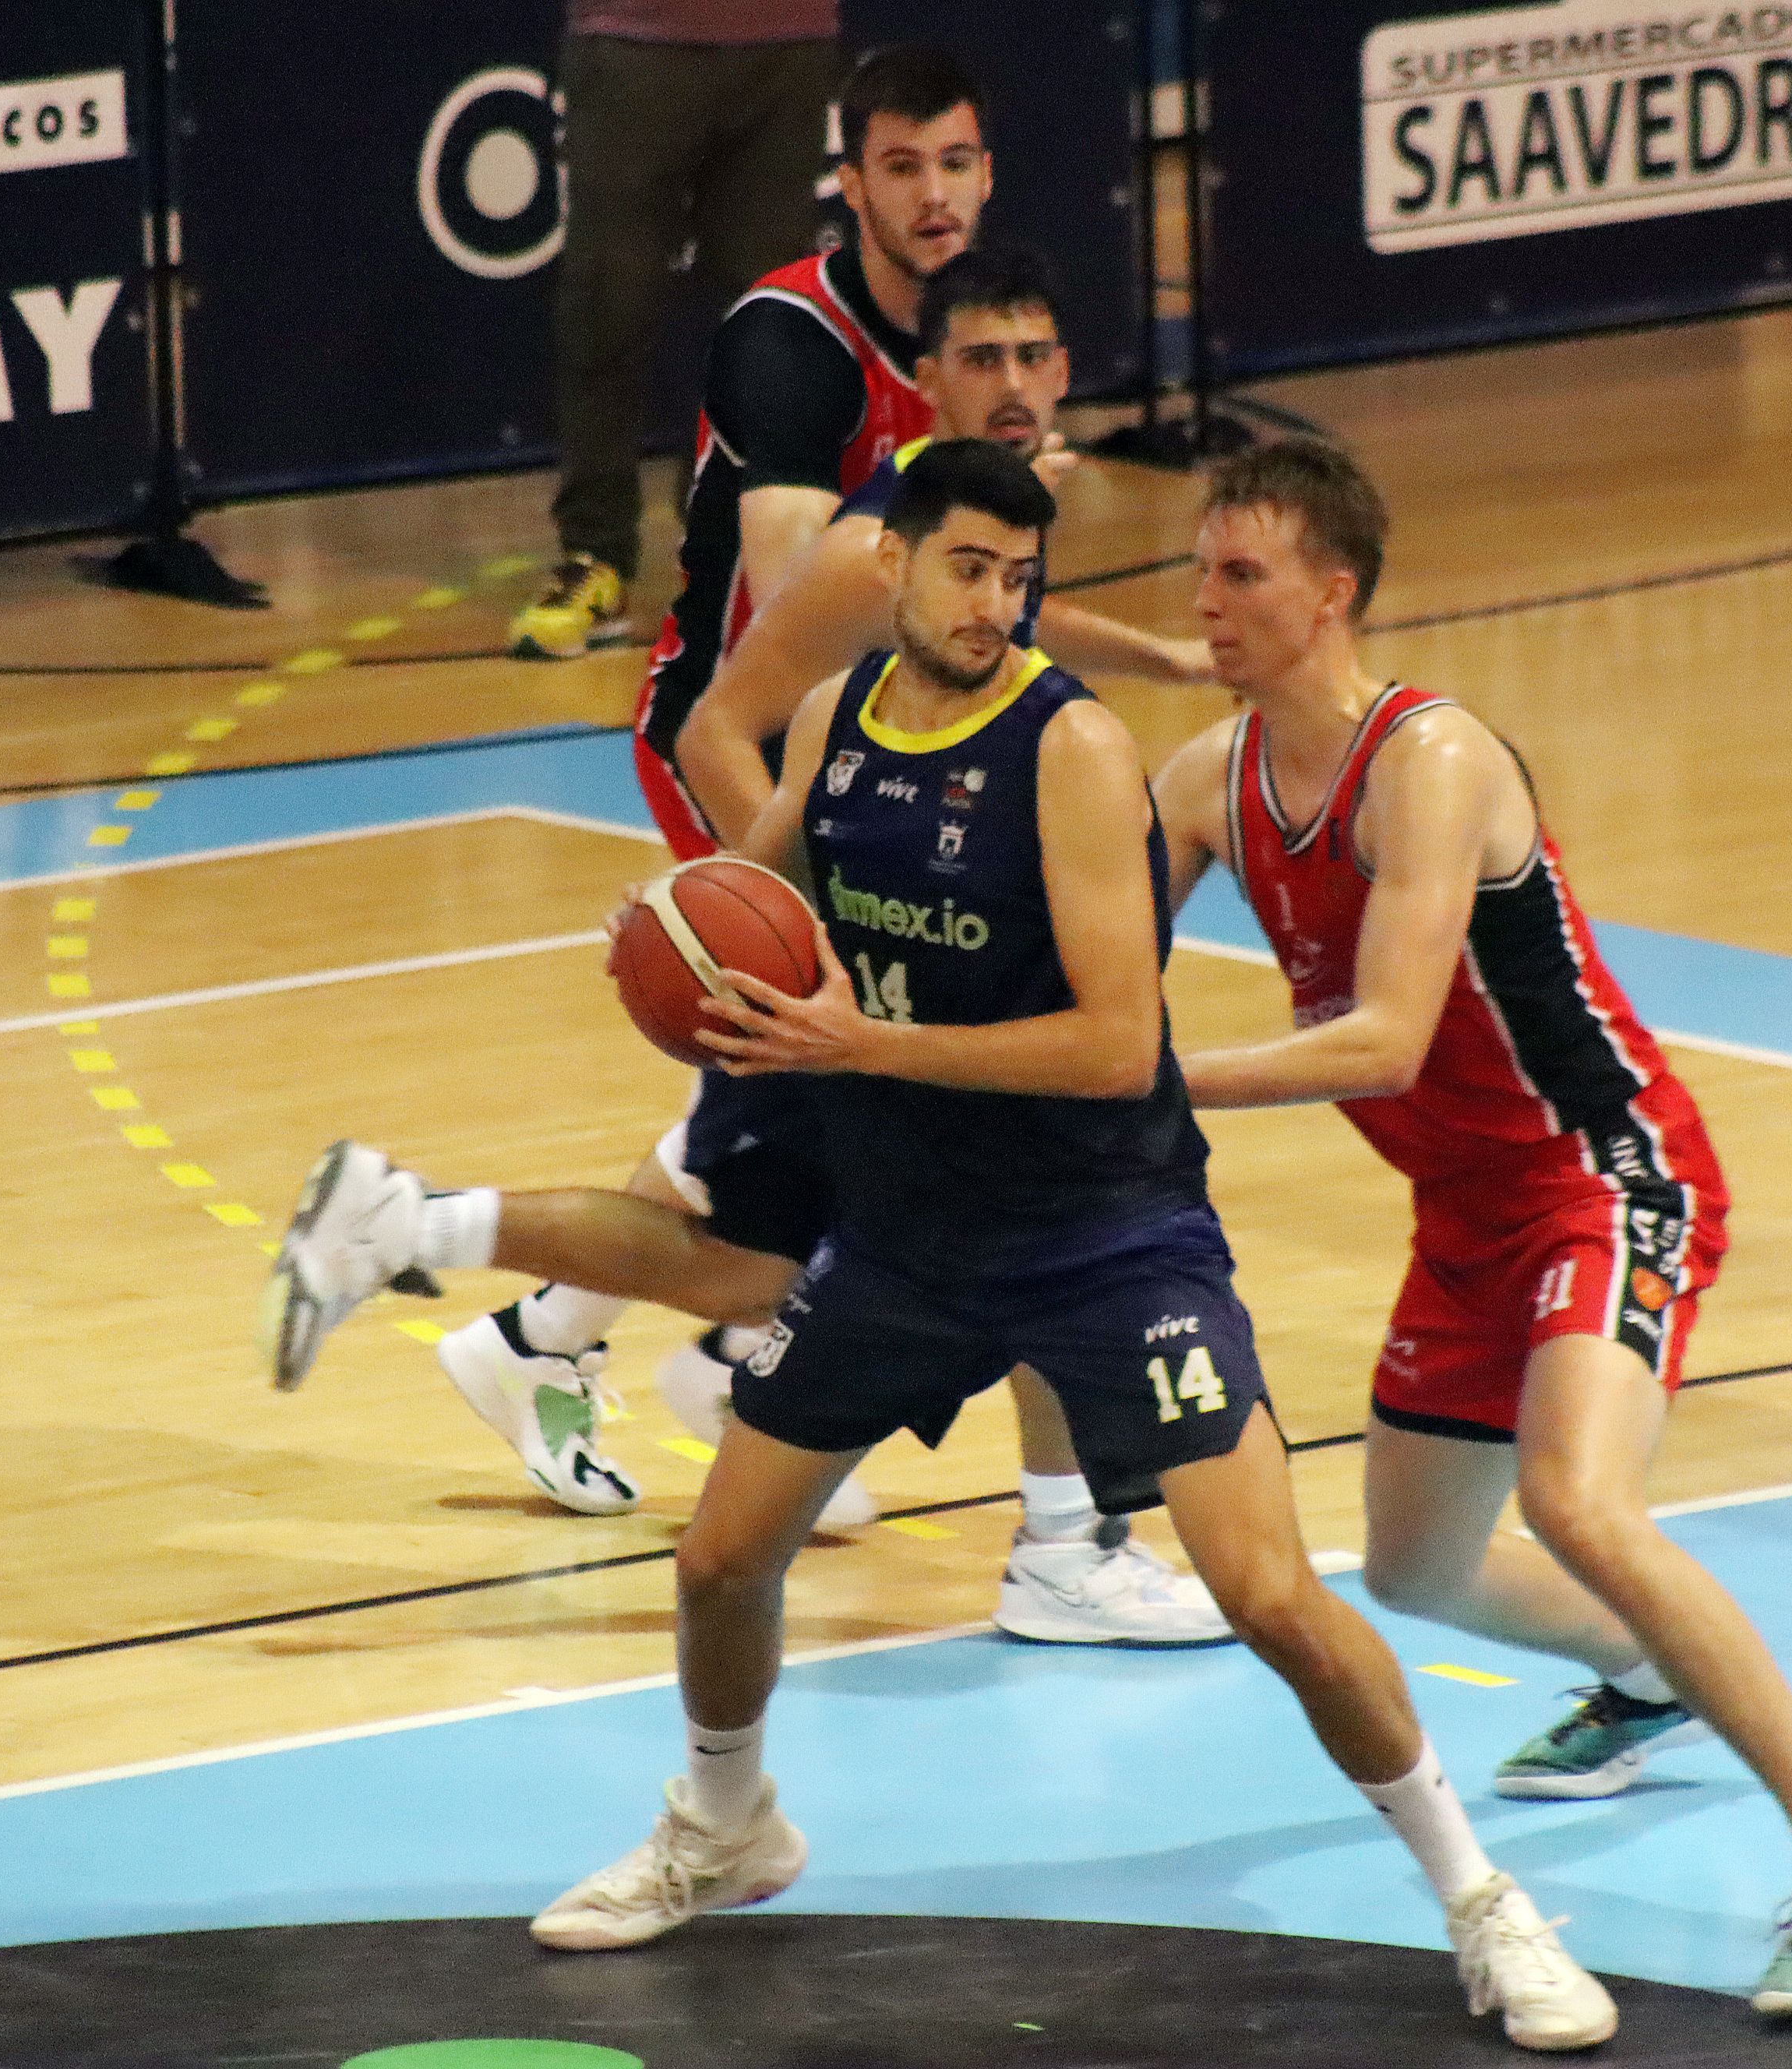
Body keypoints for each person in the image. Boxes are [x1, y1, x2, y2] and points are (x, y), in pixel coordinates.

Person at [280, 442, 1621, 2049]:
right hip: (911, 1236)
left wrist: (860, 1048)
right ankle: (726, 1825)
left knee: (1265, 1584)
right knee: (718, 1559)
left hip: (1106, 1230)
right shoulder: (844, 721)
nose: (997, 600)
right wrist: (671, 927)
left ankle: (1485, 1902)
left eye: (1018, 574)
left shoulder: (1074, 750)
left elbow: (1122, 1043)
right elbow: (758, 872)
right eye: (971, 565)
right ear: (897, 565)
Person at [283, 238, 1231, 1643]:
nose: (1019, 382)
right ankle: (1028, 1527)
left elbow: (991, 638)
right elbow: (721, 721)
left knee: (744, 1236)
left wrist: (1146, 658)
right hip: (847, 952)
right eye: (985, 358)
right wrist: (767, 915)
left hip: (884, 956)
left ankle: (490, 1287)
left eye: (1038, 357)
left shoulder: (980, 562)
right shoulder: (868, 565)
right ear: (925, 377)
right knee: (961, 1213)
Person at [1147, 439, 1792, 2016]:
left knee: (1583, 1499)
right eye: (1202, 569)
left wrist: (1148, 1086)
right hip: (1463, 1206)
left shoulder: (1427, 759)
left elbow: (1382, 1035)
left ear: (1333, 593)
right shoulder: (1201, 781)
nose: (1207, 601)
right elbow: (1088, 964)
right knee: (1417, 1564)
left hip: (1606, 1168)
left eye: (1241, 574)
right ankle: (1650, 1678)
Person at [510, 1, 844, 661]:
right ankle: (595, 557)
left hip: (789, 37)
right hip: (634, 39)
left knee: (769, 317)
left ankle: (730, 551)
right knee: (608, 308)